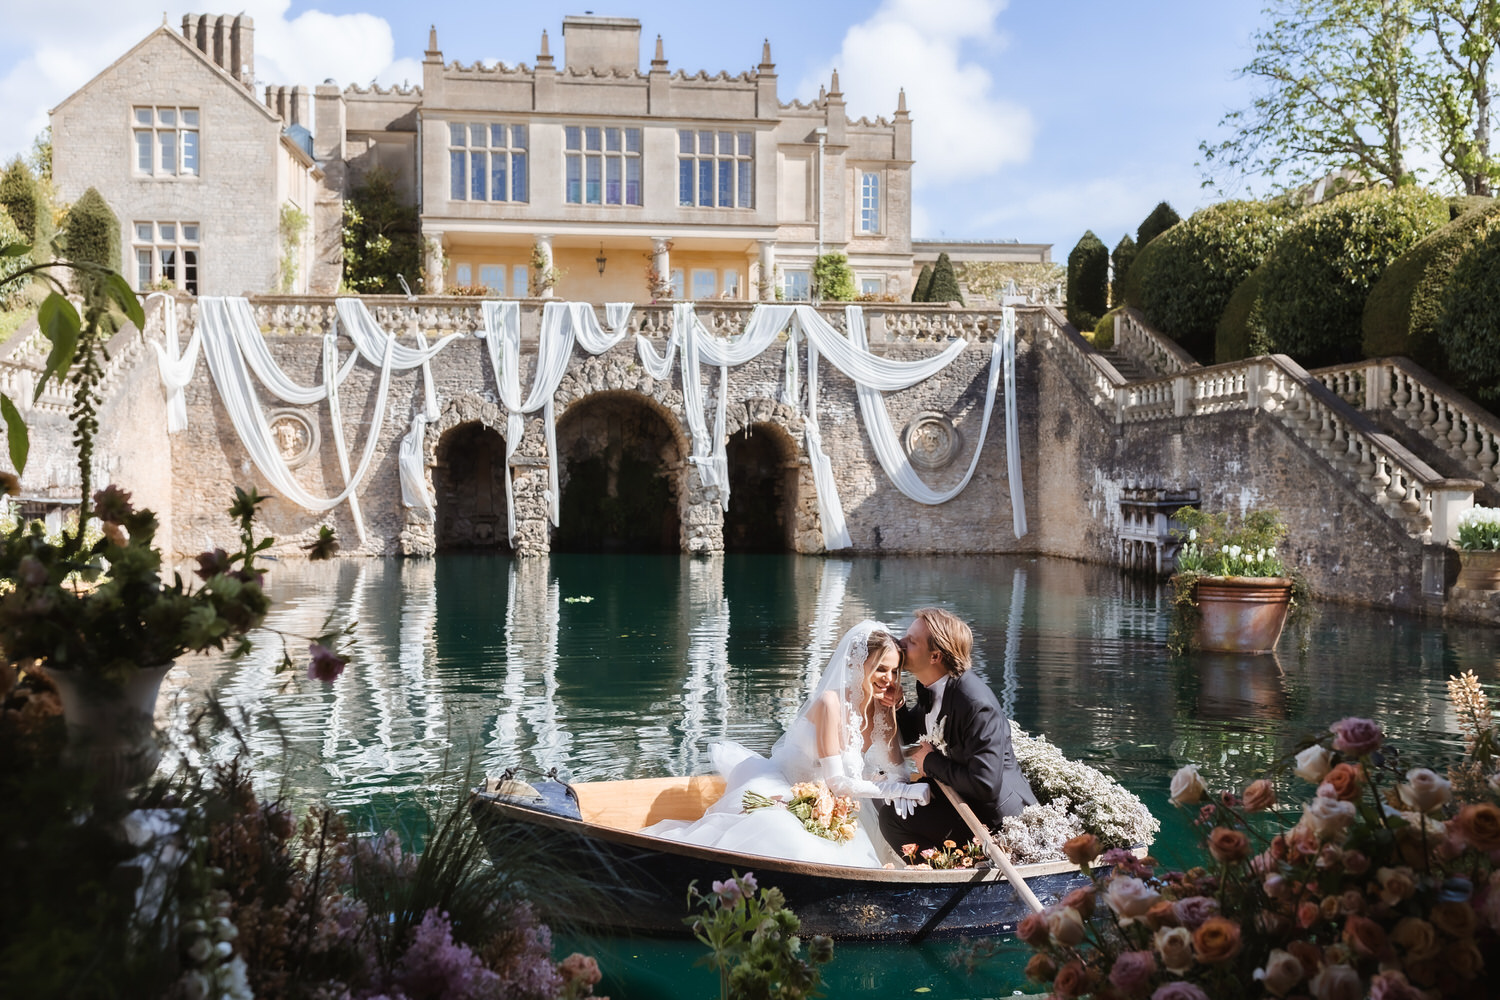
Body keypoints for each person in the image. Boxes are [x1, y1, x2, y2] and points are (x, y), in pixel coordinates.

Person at [641, 621, 931, 867]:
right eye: (881, 669)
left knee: (892, 843)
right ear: (858, 664)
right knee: (788, 840)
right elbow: (839, 783)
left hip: (843, 802)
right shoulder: (830, 703)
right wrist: (897, 790)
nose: (889, 679)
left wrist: (905, 786)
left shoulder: (885, 708)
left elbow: (897, 770)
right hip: (792, 791)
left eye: (895, 672)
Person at [877, 607, 1036, 852]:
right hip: (961, 798)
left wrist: (929, 763)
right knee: (891, 798)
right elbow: (913, 732)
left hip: (995, 819)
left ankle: (943, 874)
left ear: (935, 656)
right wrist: (898, 704)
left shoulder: (974, 704)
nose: (901, 643)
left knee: (893, 817)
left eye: (912, 641)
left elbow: (985, 784)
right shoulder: (936, 686)